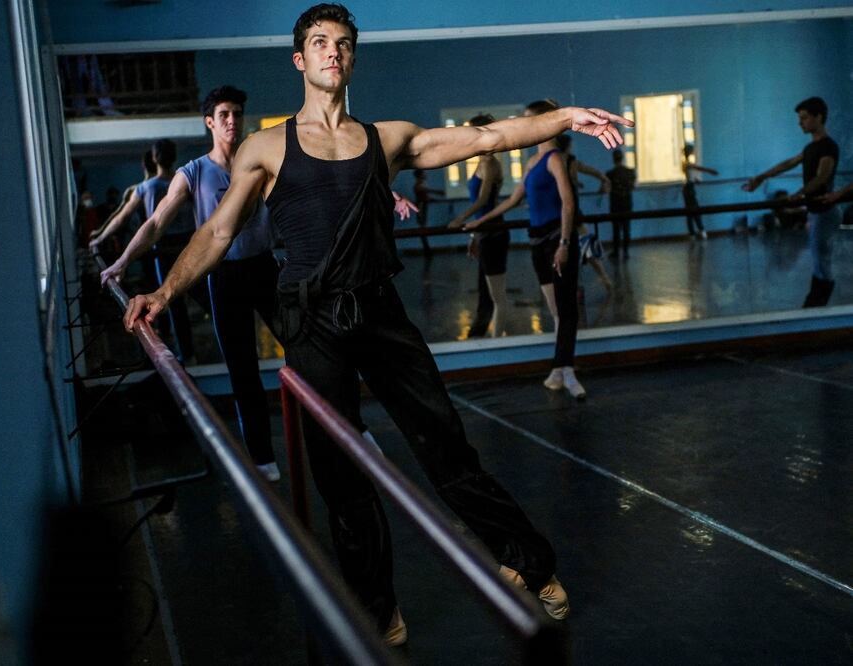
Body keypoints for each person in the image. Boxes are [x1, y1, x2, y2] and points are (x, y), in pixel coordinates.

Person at [122, 3, 630, 642]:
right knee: (343, 478)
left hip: (381, 313)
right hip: (311, 322)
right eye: (319, 42)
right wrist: (164, 292)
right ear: (299, 59)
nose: (333, 51)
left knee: (447, 447)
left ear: (353, 58)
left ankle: (528, 559)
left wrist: (566, 117)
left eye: (343, 43)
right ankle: (379, 612)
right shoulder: (265, 146)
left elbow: (488, 137)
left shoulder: (386, 139)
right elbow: (219, 230)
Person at [101, 86, 283, 482]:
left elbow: (309, 191)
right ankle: (262, 458)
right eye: (224, 115)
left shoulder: (262, 164)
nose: (232, 120)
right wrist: (121, 261)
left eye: (237, 113)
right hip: (224, 277)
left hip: (265, 269)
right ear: (210, 122)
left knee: (306, 349)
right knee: (242, 370)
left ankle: (340, 430)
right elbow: (155, 222)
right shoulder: (194, 172)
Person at [467, 100, 588, 400]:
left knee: (566, 308)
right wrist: (480, 221)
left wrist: (564, 244)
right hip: (536, 241)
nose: (523, 127)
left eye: (528, 121)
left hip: (556, 240)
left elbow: (569, 203)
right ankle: (560, 369)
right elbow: (513, 200)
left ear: (545, 124)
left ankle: (566, 369)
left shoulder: (555, 160)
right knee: (556, 309)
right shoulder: (533, 163)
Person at [92, 139, 200, 363]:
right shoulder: (185, 181)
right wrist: (100, 236)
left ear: (153, 158)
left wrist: (99, 238)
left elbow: (122, 217)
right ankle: (188, 352)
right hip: (189, 244)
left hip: (166, 248)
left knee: (175, 303)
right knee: (195, 298)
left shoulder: (151, 187)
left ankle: (187, 353)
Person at [743, 96, 840, 307]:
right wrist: (761, 177)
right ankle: (814, 305)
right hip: (816, 211)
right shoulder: (810, 148)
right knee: (818, 259)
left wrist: (800, 194)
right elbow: (787, 164)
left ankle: (816, 305)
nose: (800, 122)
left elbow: (822, 177)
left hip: (825, 211)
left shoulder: (828, 147)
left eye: (804, 118)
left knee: (822, 261)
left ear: (819, 117)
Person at [449, 113, 509, 337]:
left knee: (496, 296)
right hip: (483, 233)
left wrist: (460, 220)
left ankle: (497, 343)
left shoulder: (491, 164)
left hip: (493, 232)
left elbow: (484, 201)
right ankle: (480, 334)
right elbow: (480, 204)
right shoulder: (482, 162)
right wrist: (473, 237)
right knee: (485, 293)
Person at [556, 134, 612, 292]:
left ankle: (561, 285)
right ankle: (605, 279)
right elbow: (590, 170)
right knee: (587, 245)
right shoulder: (570, 162)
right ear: (568, 146)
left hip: (560, 211)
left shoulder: (554, 161)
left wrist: (576, 182)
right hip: (571, 211)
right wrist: (604, 178)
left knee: (578, 244)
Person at [682, 145, 718, 239]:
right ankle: (700, 231)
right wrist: (710, 170)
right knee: (694, 210)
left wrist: (695, 180)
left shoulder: (687, 164)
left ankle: (693, 233)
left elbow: (690, 175)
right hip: (689, 189)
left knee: (690, 211)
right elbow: (698, 168)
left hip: (689, 188)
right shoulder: (687, 163)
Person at [605, 150, 635, 258]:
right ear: (622, 158)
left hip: (615, 204)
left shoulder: (610, 174)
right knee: (627, 228)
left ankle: (616, 252)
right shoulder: (630, 172)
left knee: (616, 229)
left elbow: (606, 189)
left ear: (614, 159)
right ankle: (626, 251)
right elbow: (632, 187)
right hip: (627, 203)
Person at [412, 168, 443, 257]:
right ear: (420, 175)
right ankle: (427, 250)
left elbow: (425, 196)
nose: (426, 174)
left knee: (423, 228)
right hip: (420, 208)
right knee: (422, 229)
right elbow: (425, 192)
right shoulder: (418, 185)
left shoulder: (421, 185)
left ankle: (427, 250)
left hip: (422, 207)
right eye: (424, 173)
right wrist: (438, 193)